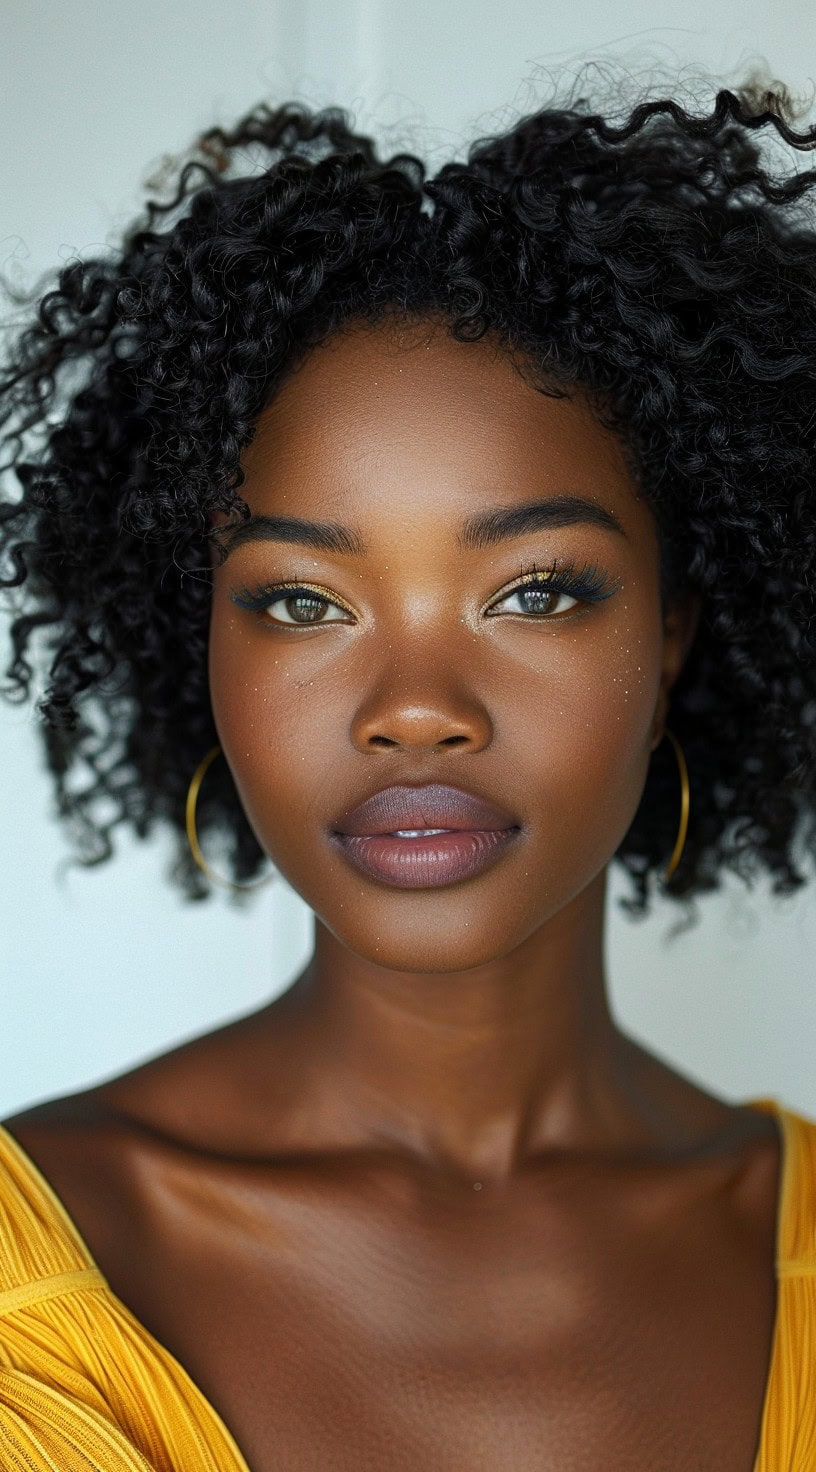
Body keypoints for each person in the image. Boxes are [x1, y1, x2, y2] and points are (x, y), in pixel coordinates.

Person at [0, 74, 815, 1472]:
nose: (416, 711)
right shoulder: (34, 1286)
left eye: (537, 591)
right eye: (303, 601)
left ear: (674, 632)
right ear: (196, 641)